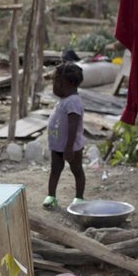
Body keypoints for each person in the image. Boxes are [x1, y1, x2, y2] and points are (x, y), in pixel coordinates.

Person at [43, 62, 86, 209]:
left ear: (65, 83)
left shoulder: (73, 102)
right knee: (55, 169)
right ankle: (51, 196)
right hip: (57, 145)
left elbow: (73, 125)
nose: (54, 86)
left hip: (71, 146)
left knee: (77, 170)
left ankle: (79, 198)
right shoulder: (64, 100)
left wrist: (69, 147)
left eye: (56, 82)